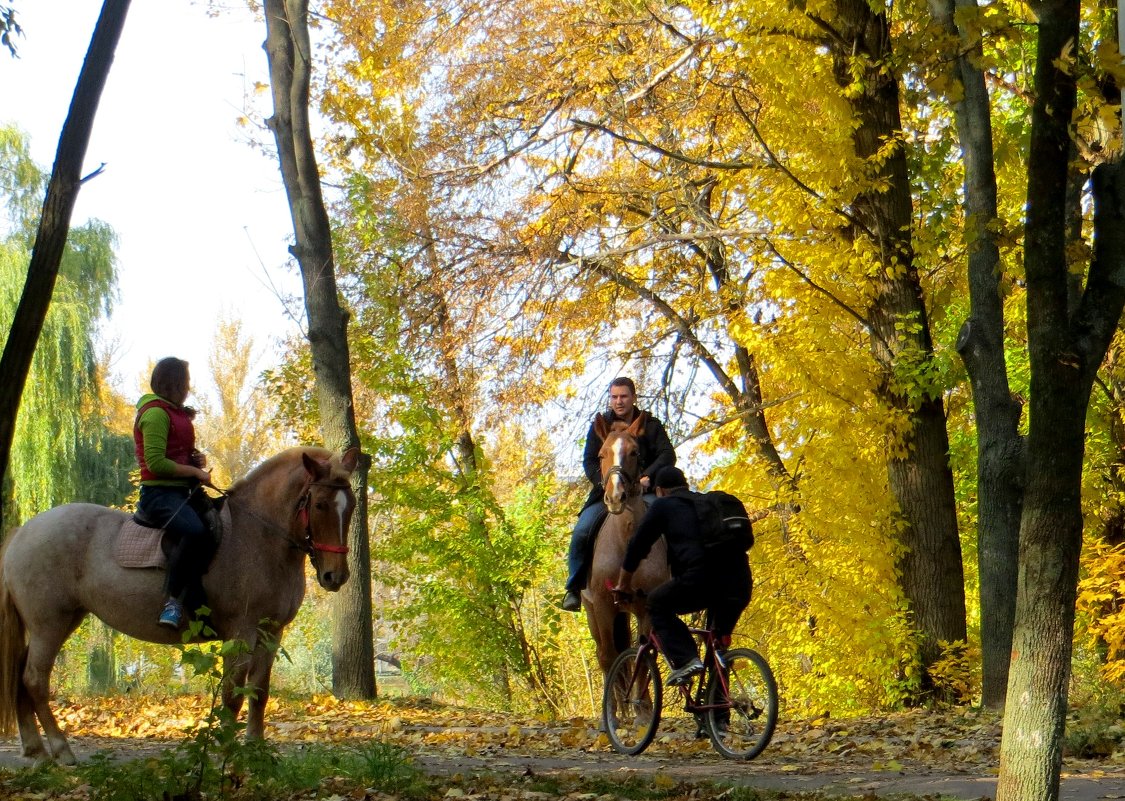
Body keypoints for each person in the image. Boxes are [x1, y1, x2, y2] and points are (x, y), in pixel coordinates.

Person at [613, 465, 752, 686]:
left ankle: (686, 659)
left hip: (701, 580)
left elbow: (637, 547)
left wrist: (623, 584)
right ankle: (718, 716)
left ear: (660, 491)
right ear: (684, 485)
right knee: (717, 645)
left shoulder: (663, 506)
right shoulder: (705, 503)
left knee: (657, 604)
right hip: (739, 582)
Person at [561, 377, 676, 612]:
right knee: (582, 529)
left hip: (644, 492)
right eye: (614, 397)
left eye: (623, 396)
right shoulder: (601, 426)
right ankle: (574, 586)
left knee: (672, 522)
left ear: (633, 397)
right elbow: (590, 460)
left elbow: (667, 455)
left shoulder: (651, 425)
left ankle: (680, 576)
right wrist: (603, 483)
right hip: (609, 492)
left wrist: (648, 477)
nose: (619, 401)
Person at [133, 357, 215, 630]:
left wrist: (195, 460)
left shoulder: (175, 412)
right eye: (186, 383)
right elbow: (155, 463)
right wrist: (194, 473)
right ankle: (173, 603)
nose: (188, 388)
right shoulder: (156, 414)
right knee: (195, 532)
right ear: (176, 384)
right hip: (159, 495)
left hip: (183, 493)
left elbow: (174, 452)